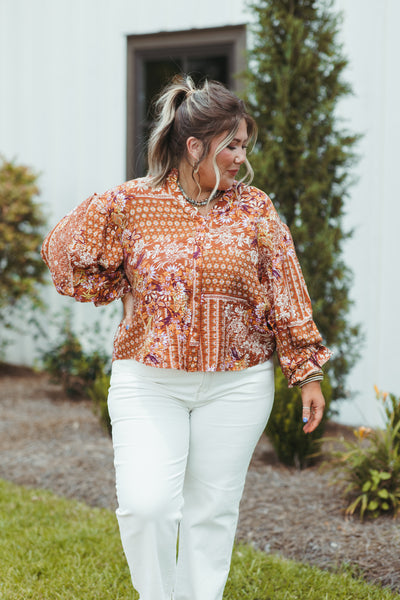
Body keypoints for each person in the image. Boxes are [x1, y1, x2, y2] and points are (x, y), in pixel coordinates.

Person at [41, 75, 332, 600]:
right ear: (195, 145)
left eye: (244, 145)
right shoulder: (131, 204)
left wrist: (306, 369)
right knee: (146, 507)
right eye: (232, 145)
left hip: (237, 385)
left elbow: (285, 285)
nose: (240, 157)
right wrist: (118, 284)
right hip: (148, 382)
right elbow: (61, 252)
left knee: (211, 514)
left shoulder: (255, 209)